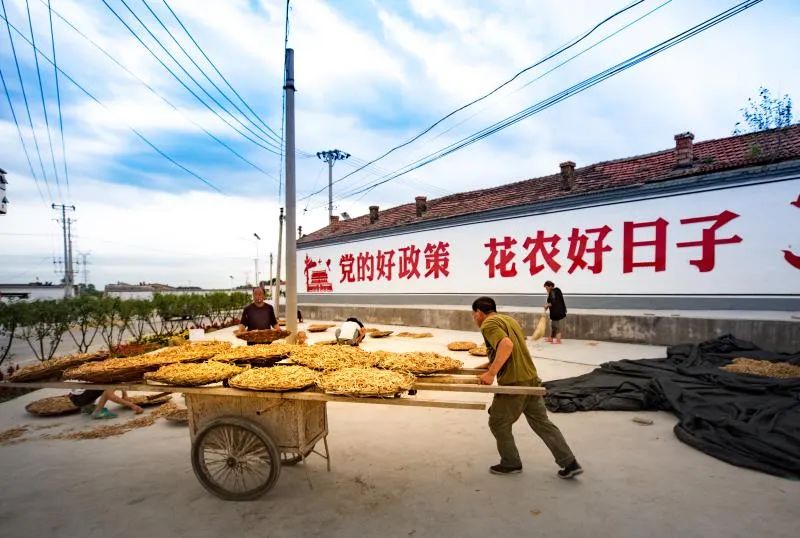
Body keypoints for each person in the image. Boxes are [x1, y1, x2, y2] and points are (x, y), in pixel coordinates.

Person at [472, 296, 582, 478]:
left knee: (498, 422)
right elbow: (513, 348)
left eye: (474, 315)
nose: (475, 319)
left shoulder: (488, 324)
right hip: (531, 377)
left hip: (515, 382)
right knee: (542, 423)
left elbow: (506, 345)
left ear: (478, 312)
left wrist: (492, 374)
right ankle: (569, 462)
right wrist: (490, 365)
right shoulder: (508, 320)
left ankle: (511, 463)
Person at [69, 389, 143, 420]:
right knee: (107, 390)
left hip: (75, 396)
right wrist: (132, 405)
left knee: (102, 388)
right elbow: (109, 395)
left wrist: (124, 395)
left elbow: (120, 382)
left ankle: (87, 407)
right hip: (80, 398)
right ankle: (97, 412)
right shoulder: (110, 376)